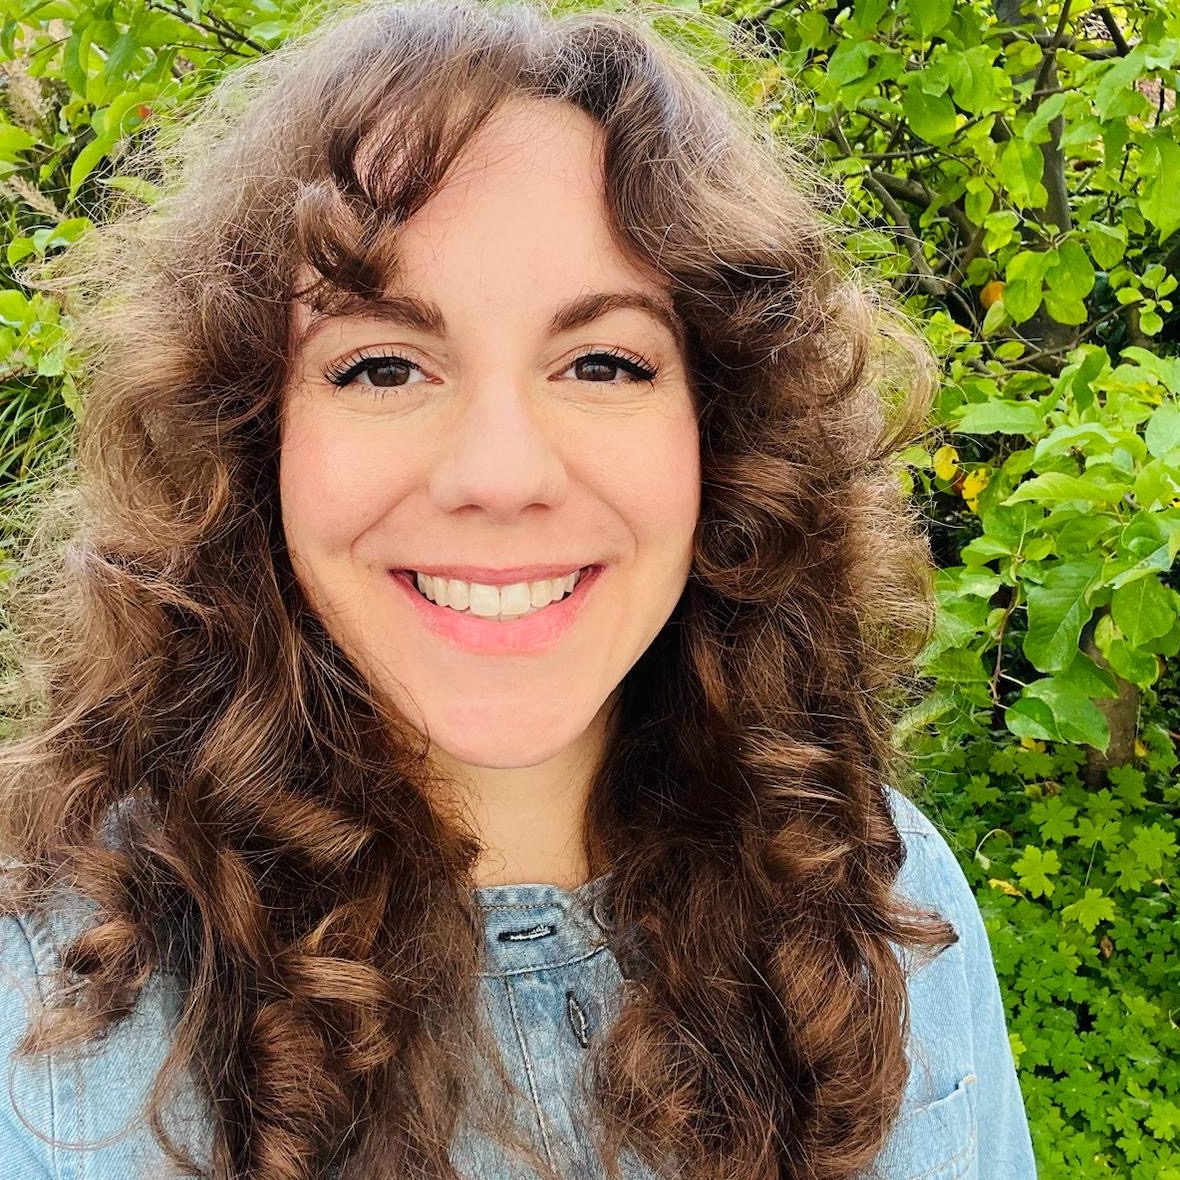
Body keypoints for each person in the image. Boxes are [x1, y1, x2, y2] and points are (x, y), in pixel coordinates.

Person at [0, 0, 1038, 1177]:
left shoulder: (884, 893)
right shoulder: (42, 993)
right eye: (383, 364)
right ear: (251, 441)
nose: (499, 475)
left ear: (724, 438)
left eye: (602, 361)